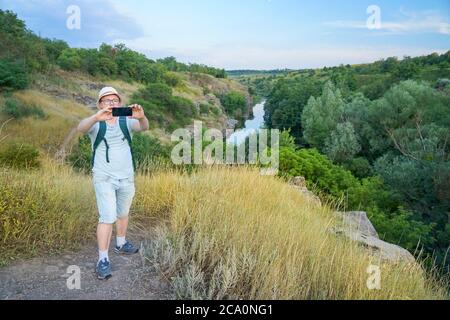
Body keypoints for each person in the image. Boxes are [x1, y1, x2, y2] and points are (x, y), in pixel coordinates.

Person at [77, 87, 149, 280]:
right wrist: (95, 117)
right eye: (107, 100)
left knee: (123, 213)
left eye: (115, 100)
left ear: (120, 103)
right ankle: (103, 259)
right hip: (104, 178)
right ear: (100, 104)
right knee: (107, 217)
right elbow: (81, 128)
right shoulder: (96, 123)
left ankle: (121, 243)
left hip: (126, 177)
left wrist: (141, 117)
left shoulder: (127, 120)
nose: (111, 103)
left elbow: (144, 127)